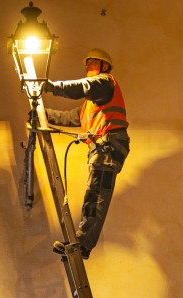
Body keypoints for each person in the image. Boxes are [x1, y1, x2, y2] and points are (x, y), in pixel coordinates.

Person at [44, 48, 130, 260]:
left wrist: (51, 87)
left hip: (109, 148)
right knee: (92, 197)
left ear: (104, 66)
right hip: (101, 150)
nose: (89, 66)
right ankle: (81, 244)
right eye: (87, 63)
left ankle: (82, 245)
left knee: (96, 197)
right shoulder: (91, 104)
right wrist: (42, 114)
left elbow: (83, 86)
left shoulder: (104, 82)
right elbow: (70, 118)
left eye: (94, 62)